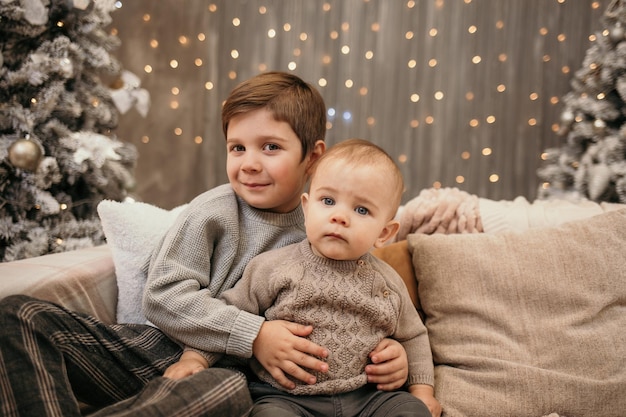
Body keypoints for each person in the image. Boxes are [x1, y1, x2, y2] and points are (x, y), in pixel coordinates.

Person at [0, 72, 409, 416]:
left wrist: (388, 352)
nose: (249, 162)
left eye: (270, 147)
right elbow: (162, 296)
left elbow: (362, 305)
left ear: (313, 157)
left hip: (240, 379)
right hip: (159, 348)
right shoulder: (213, 212)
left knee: (213, 395)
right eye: (237, 147)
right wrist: (255, 334)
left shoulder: (332, 227)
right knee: (18, 314)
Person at [166, 139, 442, 417]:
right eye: (328, 201)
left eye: (361, 210)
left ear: (384, 233)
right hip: (285, 397)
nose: (339, 217)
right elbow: (231, 311)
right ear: (307, 208)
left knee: (410, 411)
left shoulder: (387, 281)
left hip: (368, 398)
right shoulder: (272, 267)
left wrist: (421, 390)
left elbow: (413, 335)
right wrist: (196, 357)